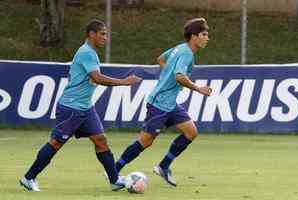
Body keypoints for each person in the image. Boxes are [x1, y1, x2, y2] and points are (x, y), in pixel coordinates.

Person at [19, 19, 142, 192]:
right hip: (71, 107)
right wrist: (124, 82)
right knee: (55, 143)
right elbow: (98, 78)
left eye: (106, 34)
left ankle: (114, 180)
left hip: (85, 107)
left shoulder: (91, 52)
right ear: (92, 34)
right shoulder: (86, 52)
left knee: (100, 140)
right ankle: (28, 177)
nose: (106, 37)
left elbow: (94, 78)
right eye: (103, 34)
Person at [115, 17, 212, 187]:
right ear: (194, 36)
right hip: (159, 104)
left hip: (170, 103)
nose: (207, 38)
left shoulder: (179, 48)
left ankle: (163, 167)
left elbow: (160, 59)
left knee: (191, 132)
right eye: (204, 34)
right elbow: (179, 76)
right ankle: (113, 172)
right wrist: (198, 88)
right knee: (145, 141)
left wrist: (167, 75)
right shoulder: (186, 53)